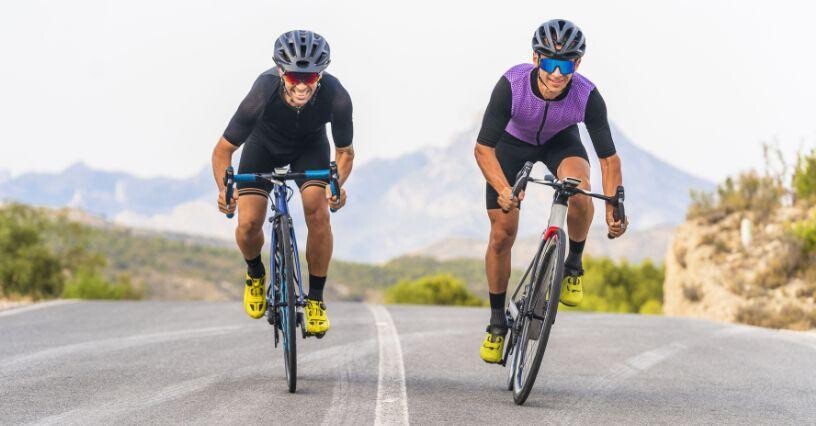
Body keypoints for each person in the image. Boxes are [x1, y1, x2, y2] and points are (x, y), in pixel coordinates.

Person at [474, 19, 628, 363]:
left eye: (567, 64)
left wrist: (614, 210)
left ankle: (573, 264)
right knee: (502, 234)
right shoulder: (511, 85)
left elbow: (609, 160)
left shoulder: (587, 95)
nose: (557, 74)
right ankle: (497, 324)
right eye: (550, 63)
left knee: (579, 190)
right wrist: (502, 188)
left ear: (578, 64)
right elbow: (483, 149)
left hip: (561, 141)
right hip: (511, 145)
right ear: (535, 58)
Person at [211, 30, 354, 335]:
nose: (302, 85)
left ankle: (315, 300)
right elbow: (223, 150)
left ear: (321, 74)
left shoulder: (337, 96)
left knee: (318, 213)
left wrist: (336, 185)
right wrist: (225, 189)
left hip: (309, 148)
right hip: (262, 146)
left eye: (311, 76)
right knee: (248, 224)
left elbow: (345, 153)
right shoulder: (262, 91)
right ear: (280, 72)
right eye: (293, 77)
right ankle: (255, 273)